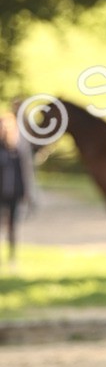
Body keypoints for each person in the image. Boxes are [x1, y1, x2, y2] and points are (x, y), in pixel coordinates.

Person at [0, 110, 29, 270]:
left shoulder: (15, 150)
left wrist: (24, 191)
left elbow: (21, 173)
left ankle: (11, 257)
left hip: (13, 194)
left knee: (12, 226)